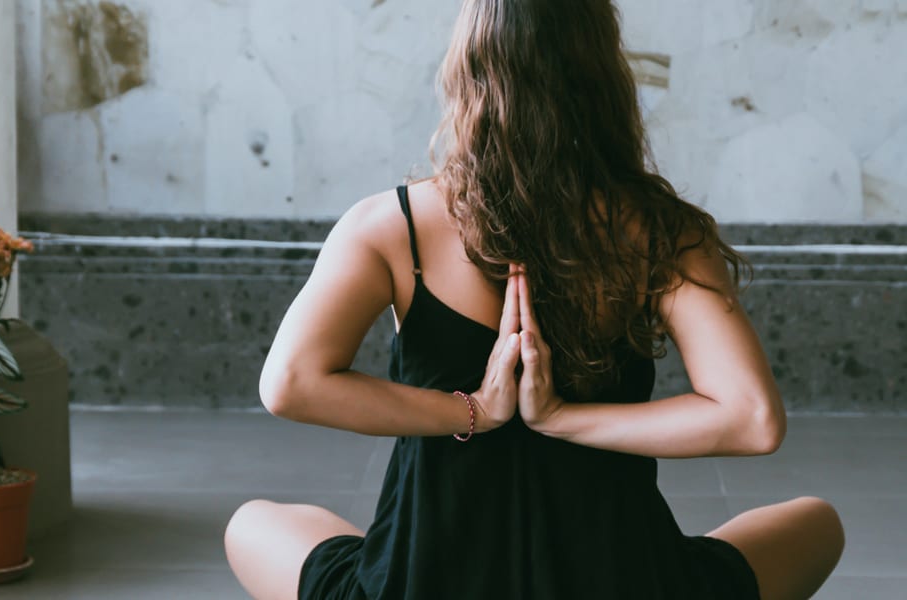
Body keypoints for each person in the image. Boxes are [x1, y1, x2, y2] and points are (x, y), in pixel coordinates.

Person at [223, 1, 845, 599]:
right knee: (818, 522)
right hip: (625, 582)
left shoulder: (389, 227)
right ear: (602, 74)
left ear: (467, 70)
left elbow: (290, 384)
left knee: (251, 522)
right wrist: (558, 418)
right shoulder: (662, 232)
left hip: (423, 581)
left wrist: (474, 411)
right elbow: (752, 419)